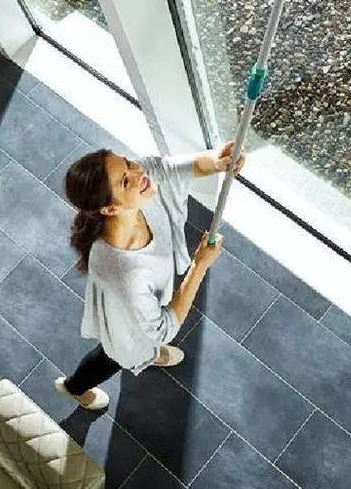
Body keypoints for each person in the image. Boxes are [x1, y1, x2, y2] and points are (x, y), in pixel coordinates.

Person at [55, 142, 244, 410]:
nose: (138, 173)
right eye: (124, 182)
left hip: (145, 301)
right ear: (110, 210)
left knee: (144, 339)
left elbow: (169, 168)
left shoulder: (140, 181)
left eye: (128, 163)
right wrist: (199, 265)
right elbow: (164, 328)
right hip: (128, 319)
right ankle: (74, 387)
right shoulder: (125, 275)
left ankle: (148, 353)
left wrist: (218, 161)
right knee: (116, 354)